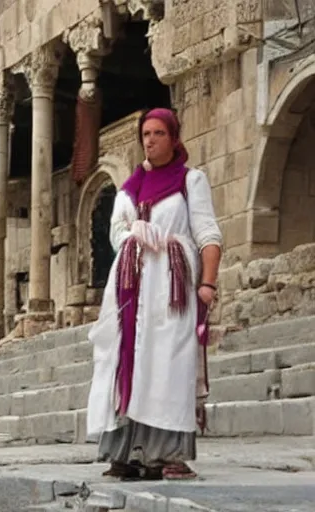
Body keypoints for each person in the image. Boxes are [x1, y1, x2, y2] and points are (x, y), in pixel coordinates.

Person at [87, 108, 222, 481]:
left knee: (168, 365)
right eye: (146, 133)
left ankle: (168, 454)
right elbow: (117, 233)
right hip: (130, 288)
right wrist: (134, 235)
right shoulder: (128, 188)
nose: (150, 139)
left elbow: (208, 234)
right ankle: (126, 454)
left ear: (173, 138)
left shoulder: (191, 181)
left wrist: (207, 284)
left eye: (159, 133)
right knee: (123, 362)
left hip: (172, 287)